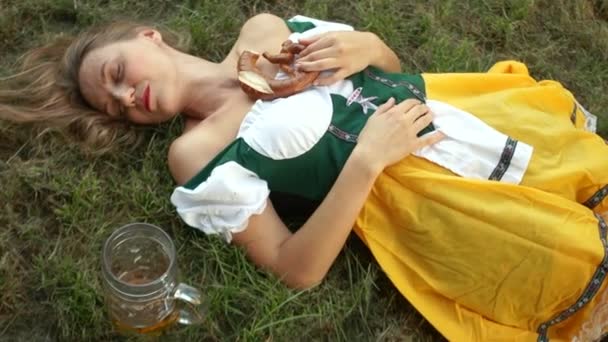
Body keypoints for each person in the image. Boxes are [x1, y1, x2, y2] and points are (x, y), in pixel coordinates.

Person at [2, 12, 608, 342]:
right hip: (433, 202)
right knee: (573, 254)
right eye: (112, 107)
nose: (124, 96)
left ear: (148, 35)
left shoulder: (267, 31)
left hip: (466, 116)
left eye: (115, 72)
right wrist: (368, 160)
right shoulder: (196, 153)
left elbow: (390, 64)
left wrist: (365, 45)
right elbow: (297, 269)